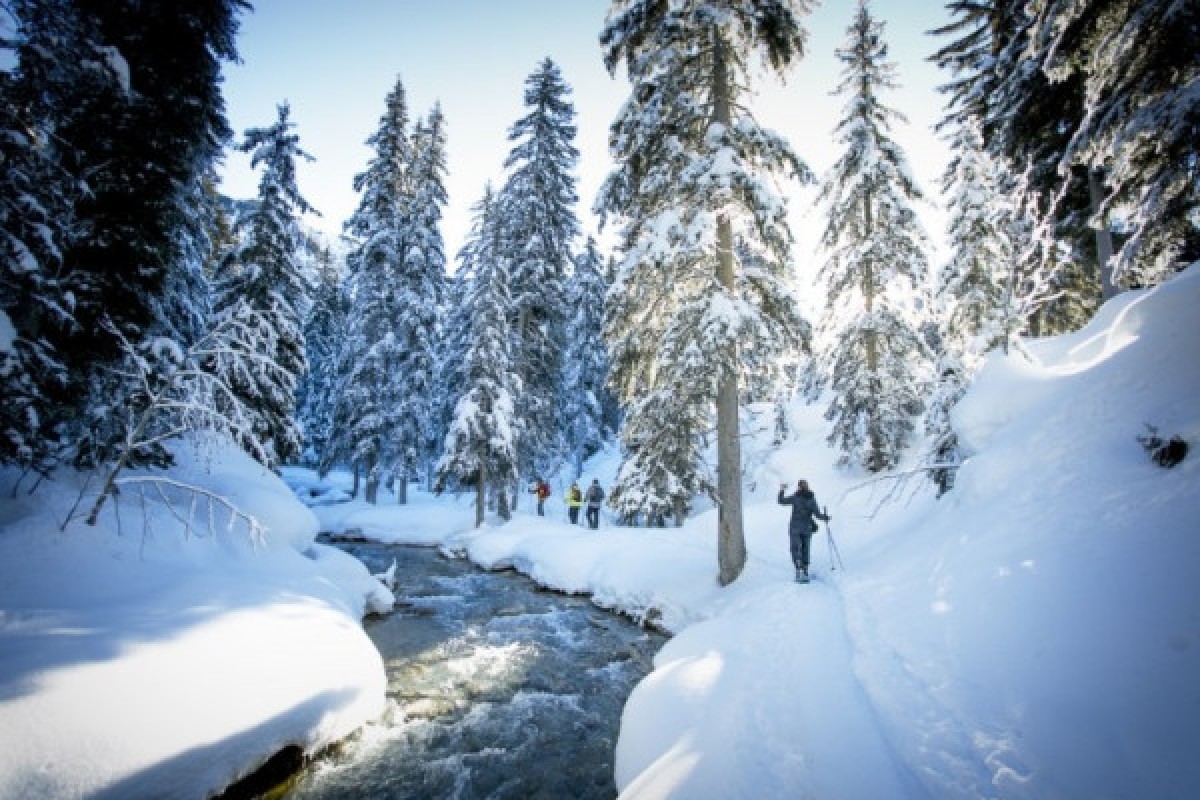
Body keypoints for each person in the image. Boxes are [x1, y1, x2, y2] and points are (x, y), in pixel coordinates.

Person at [777, 479, 830, 583]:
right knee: (806, 548)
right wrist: (826, 517)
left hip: (795, 528)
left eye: (799, 486)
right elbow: (818, 515)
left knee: (795, 548)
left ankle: (798, 569)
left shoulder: (795, 497)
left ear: (799, 487)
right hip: (807, 528)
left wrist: (782, 490)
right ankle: (805, 570)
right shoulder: (811, 498)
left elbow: (781, 501)